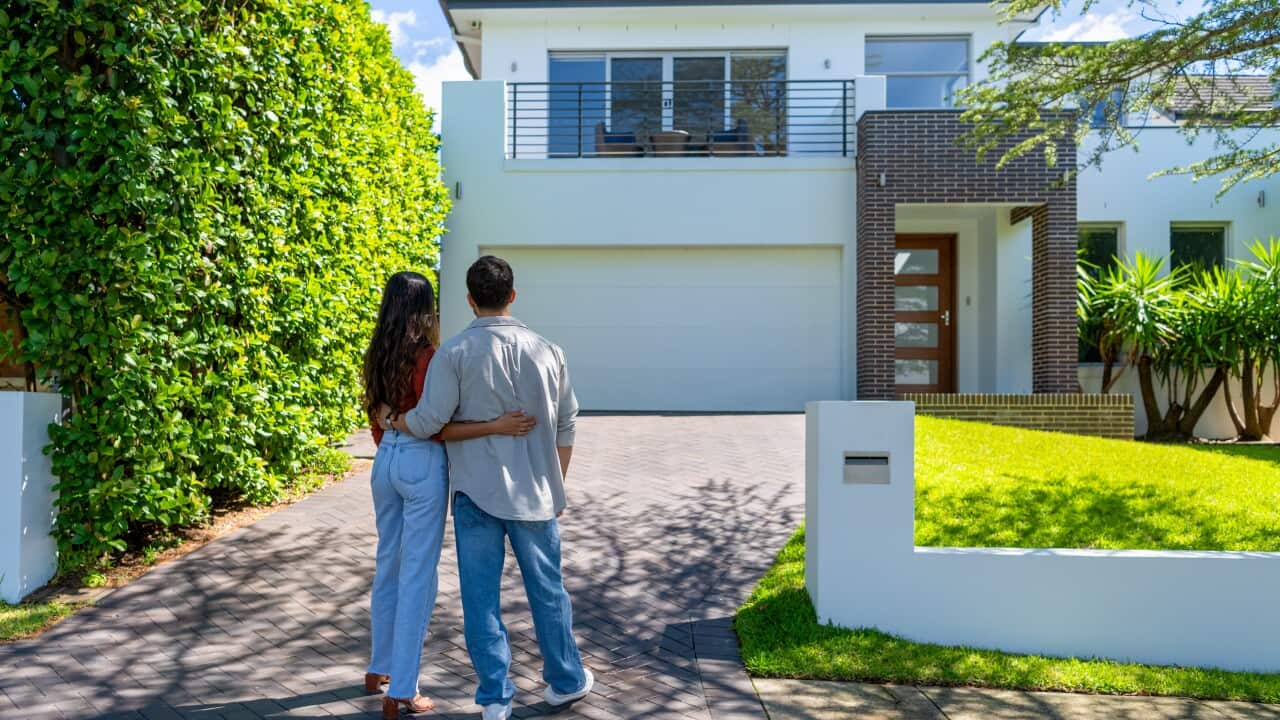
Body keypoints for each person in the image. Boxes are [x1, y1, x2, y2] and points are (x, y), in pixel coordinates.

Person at [389, 256, 593, 720]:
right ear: (512, 296)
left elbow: (428, 422)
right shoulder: (549, 351)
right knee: (548, 592)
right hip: (535, 495)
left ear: (469, 299)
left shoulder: (454, 354)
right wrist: (556, 483)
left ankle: (495, 697)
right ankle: (566, 681)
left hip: (475, 495)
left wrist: (394, 420)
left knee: (480, 601)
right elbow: (567, 423)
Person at [362, 271, 536, 719]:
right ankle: (402, 689)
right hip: (421, 462)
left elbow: (375, 413)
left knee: (388, 564)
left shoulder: (376, 351)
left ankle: (378, 667)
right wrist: (494, 425)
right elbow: (435, 424)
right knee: (418, 576)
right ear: (426, 309)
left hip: (385, 461)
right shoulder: (429, 357)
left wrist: (390, 433)